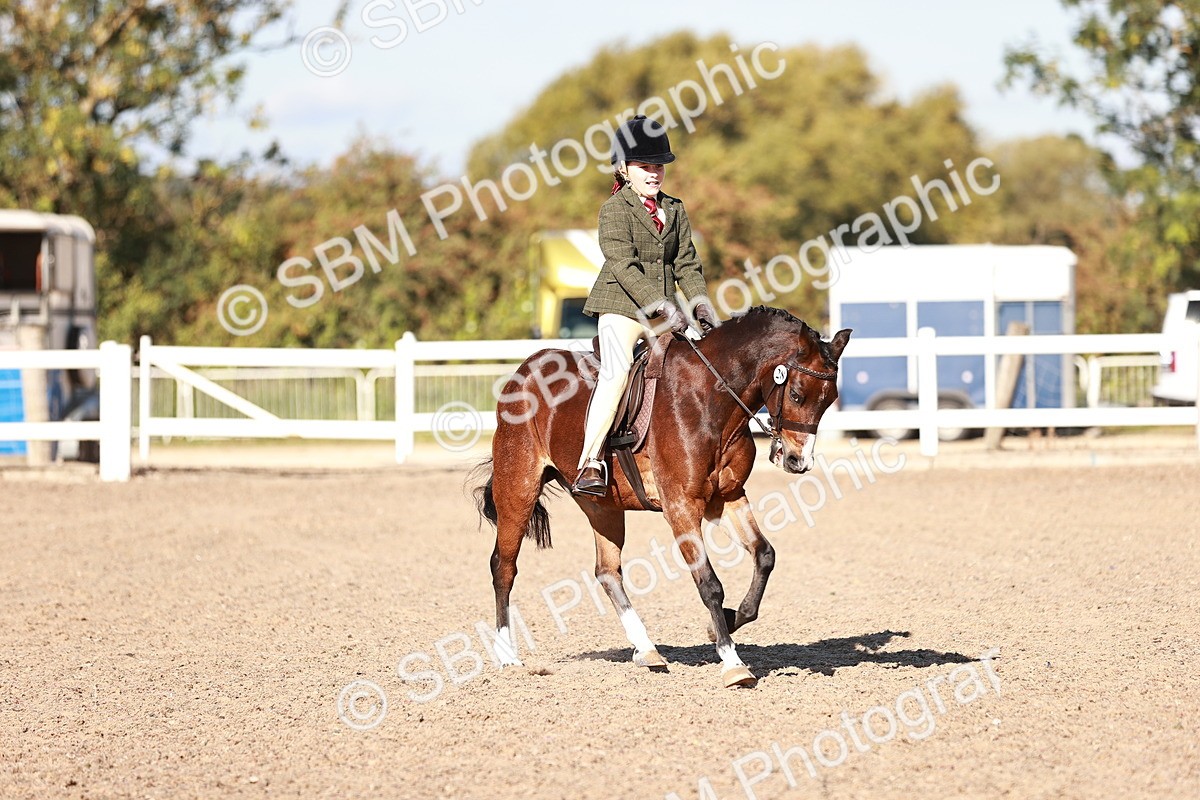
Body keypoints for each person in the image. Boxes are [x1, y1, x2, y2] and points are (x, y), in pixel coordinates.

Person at [573, 114, 718, 496]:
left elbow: (686, 262)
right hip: (622, 307)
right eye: (645, 166)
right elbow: (622, 264)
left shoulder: (676, 209)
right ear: (623, 168)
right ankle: (590, 461)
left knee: (700, 365)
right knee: (616, 373)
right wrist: (660, 305)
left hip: (666, 310)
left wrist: (700, 303)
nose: (654, 174)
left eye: (658, 166)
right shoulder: (615, 210)